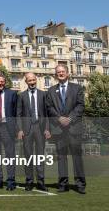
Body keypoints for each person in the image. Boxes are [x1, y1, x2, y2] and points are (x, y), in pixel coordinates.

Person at [46, 64, 86, 194]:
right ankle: (63, 184)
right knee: (61, 157)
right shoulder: (51, 90)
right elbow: (49, 108)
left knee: (77, 157)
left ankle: (80, 185)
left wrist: (70, 118)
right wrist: (59, 118)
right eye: (58, 72)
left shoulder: (77, 88)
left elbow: (80, 106)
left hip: (74, 128)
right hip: (59, 129)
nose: (61, 74)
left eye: (63, 72)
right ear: (56, 75)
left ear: (67, 73)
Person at [17, 72, 50, 192]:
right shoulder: (21, 96)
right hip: (27, 130)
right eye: (29, 81)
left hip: (40, 129)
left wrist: (47, 129)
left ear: (36, 80)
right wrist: (20, 129)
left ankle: (41, 182)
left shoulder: (43, 94)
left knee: (40, 157)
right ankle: (29, 182)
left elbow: (47, 114)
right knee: (28, 157)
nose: (32, 82)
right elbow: (18, 114)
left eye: (33, 80)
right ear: (26, 82)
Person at [0, 73, 18, 190]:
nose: (0, 83)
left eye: (2, 81)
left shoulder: (12, 93)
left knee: (10, 155)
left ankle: (11, 181)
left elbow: (16, 112)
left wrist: (17, 129)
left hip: (8, 128)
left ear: (5, 82)